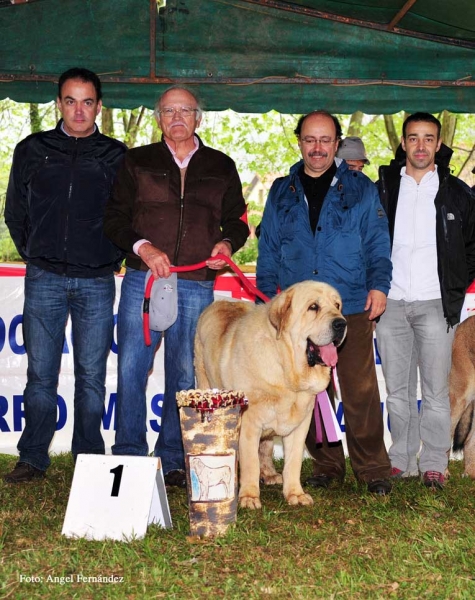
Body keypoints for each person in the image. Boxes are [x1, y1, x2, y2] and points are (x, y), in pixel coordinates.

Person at [104, 86, 249, 488]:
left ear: (199, 118)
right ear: (158, 118)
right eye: (169, 111)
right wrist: (144, 248)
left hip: (197, 284)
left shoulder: (221, 165)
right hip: (143, 279)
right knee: (132, 367)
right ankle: (129, 456)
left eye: (185, 110)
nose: (178, 117)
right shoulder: (135, 161)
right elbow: (114, 218)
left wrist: (226, 244)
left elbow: (238, 220)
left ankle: (171, 459)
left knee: (185, 374)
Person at [257, 110, 393, 495]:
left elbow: (378, 244)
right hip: (299, 313)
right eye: (310, 140)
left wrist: (379, 285)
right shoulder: (281, 191)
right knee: (311, 392)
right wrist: (268, 298)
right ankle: (326, 465)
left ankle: (373, 470)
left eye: (325, 140)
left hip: (348, 304)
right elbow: (268, 249)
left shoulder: (362, 189)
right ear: (299, 142)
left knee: (360, 389)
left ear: (336, 144)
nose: (317, 148)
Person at [3, 68, 127, 483]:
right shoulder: (31, 149)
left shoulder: (116, 155)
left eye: (87, 101)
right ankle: (33, 456)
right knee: (41, 374)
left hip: (96, 282)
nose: (79, 110)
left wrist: (109, 257)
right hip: (44, 279)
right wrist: (37, 254)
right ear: (59, 104)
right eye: (70, 101)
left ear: (98, 105)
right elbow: (15, 212)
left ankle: (89, 457)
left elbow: (127, 215)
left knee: (91, 377)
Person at [376, 112, 475, 489]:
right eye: (413, 138)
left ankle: (435, 462)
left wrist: (452, 287)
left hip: (437, 305)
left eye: (428, 138)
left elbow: (471, 248)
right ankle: (400, 459)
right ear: (403, 143)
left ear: (437, 144)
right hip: (392, 302)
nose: (420, 145)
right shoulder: (383, 187)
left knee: (436, 391)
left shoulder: (457, 192)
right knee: (398, 392)